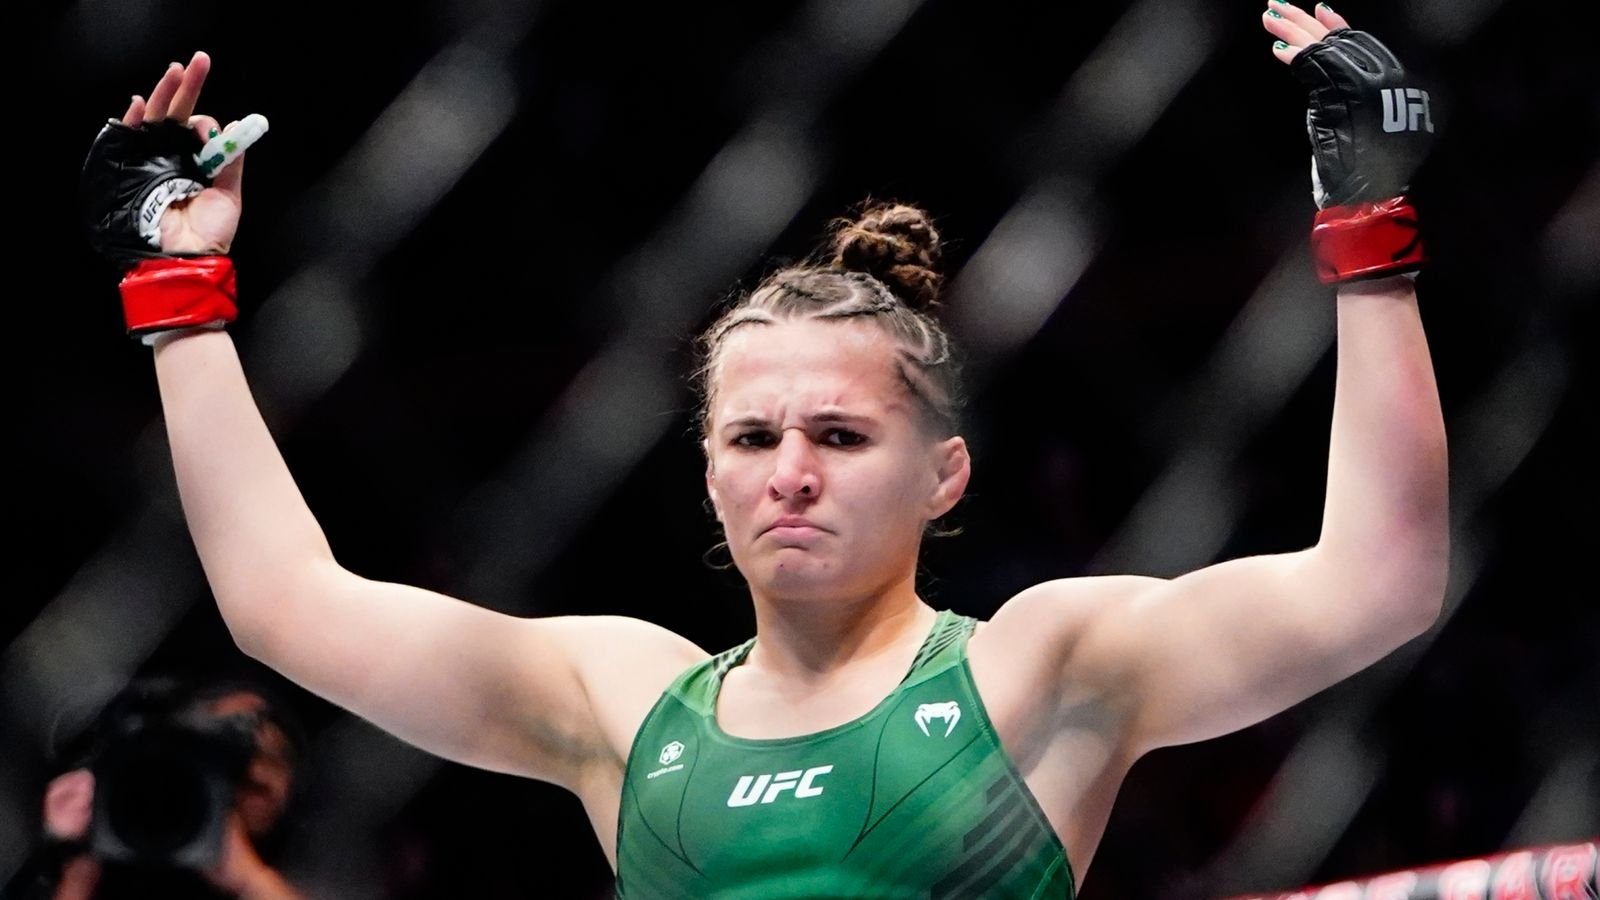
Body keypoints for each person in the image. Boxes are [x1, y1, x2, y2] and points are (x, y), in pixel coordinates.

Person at [77, 3, 1447, 895]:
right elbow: (284, 605)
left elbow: (1377, 579)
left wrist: (1369, 241)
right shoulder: (623, 699)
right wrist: (178, 299)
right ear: (710, 474)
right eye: (753, 434)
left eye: (842, 435)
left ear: (944, 476)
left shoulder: (1042, 667)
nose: (790, 468)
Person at [3, 677, 306, 900]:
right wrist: (74, 855)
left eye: (243, 779)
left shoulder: (282, 874)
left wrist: (247, 878)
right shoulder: (87, 859)